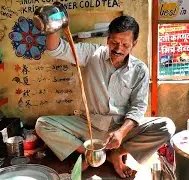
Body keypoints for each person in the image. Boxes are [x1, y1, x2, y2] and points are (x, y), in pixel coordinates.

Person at [35, 15, 176, 178]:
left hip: (120, 129)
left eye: (125, 45)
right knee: (42, 124)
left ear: (134, 44)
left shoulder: (140, 70)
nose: (118, 49)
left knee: (167, 126)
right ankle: (91, 152)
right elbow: (55, 48)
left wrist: (122, 132)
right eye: (114, 42)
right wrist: (53, 23)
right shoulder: (92, 54)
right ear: (108, 39)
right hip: (89, 125)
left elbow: (138, 107)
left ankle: (116, 154)